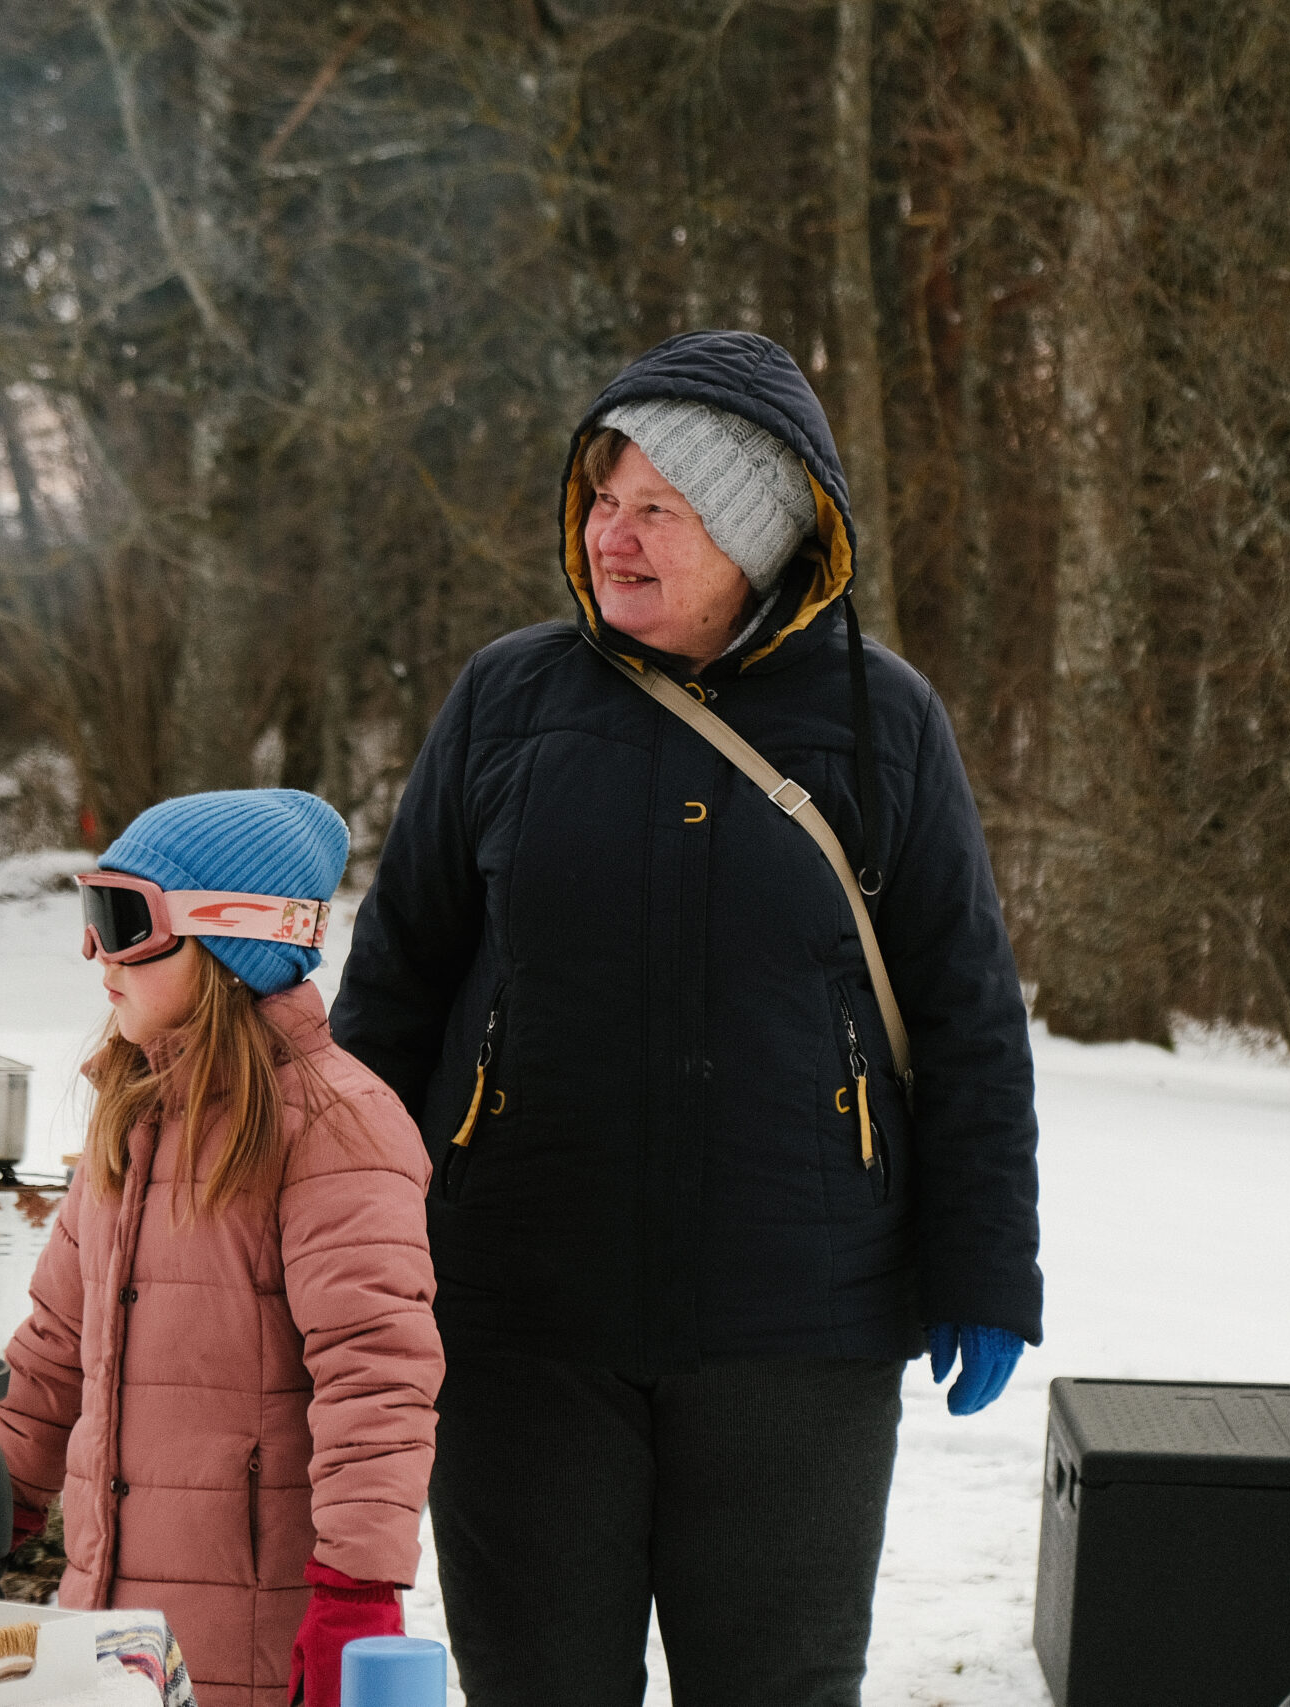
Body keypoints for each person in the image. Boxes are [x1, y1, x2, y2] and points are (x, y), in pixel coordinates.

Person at [332, 330, 1043, 1707]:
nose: (612, 534)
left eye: (659, 507)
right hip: (523, 1311)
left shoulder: (882, 718)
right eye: (604, 498)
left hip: (799, 1324)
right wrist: (348, 1247)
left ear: (758, 530)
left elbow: (965, 1015)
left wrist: (985, 1265)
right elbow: (393, 993)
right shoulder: (506, 698)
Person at [0, 790, 441, 1707]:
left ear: (231, 941)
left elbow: (377, 1378)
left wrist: (357, 1589)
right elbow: (54, 1352)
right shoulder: (129, 1116)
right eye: (89, 915)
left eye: (123, 919)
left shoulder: (337, 1128)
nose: (96, 953)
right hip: (105, 1648)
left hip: (254, 1647)